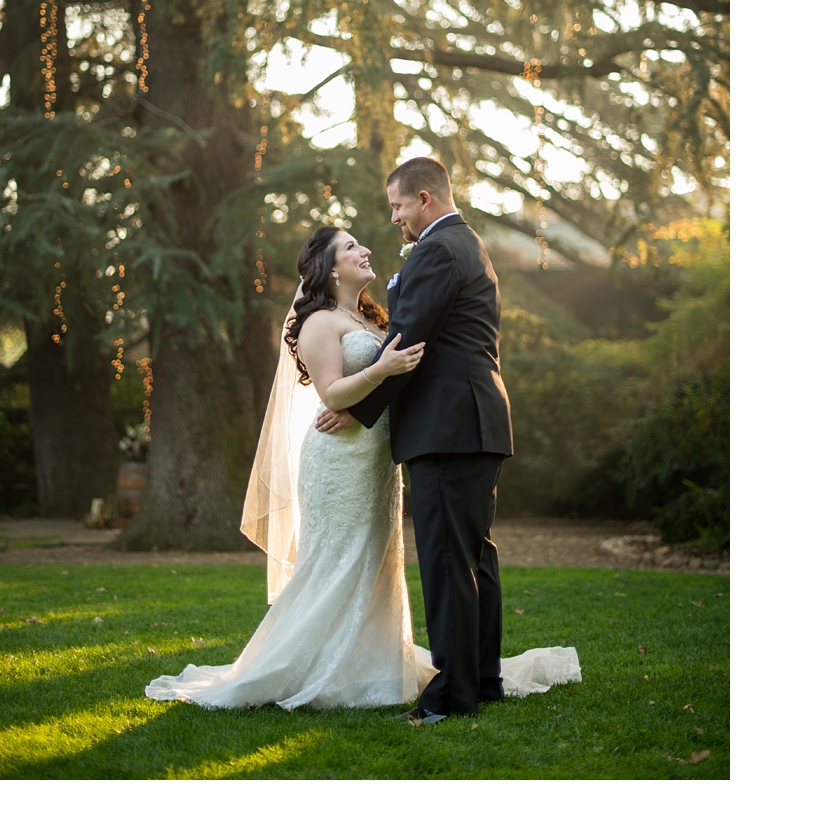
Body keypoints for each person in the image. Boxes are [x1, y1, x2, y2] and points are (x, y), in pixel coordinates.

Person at [146, 168, 580, 715]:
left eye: (398, 207)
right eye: (351, 244)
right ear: (327, 269)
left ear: (423, 200)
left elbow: (410, 343)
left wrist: (357, 409)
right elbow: (388, 360)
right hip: (443, 430)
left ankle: (454, 694)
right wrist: (353, 402)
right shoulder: (449, 249)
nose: (391, 221)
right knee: (468, 557)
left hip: (448, 428)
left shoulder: (439, 250)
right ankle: (476, 679)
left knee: (454, 561)